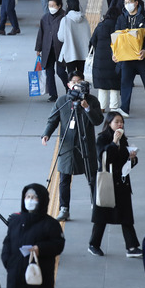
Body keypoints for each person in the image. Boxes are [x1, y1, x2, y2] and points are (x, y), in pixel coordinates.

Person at [41, 72, 104, 220]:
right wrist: (46, 134)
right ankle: (64, 209)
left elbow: (98, 121)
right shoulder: (62, 101)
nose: (77, 85)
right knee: (64, 178)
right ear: (69, 85)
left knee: (92, 177)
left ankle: (96, 205)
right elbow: (53, 119)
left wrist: (87, 107)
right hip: (67, 146)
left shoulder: (92, 100)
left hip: (86, 145)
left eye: (80, 82)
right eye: (74, 82)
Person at [88, 112, 142, 258]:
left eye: (122, 122)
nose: (120, 124)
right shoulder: (102, 138)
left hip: (122, 182)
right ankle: (94, 244)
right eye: (117, 122)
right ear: (109, 123)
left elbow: (125, 161)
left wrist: (132, 158)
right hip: (107, 182)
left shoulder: (123, 138)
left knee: (126, 216)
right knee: (102, 216)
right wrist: (114, 143)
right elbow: (105, 159)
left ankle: (132, 247)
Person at [1, 184, 65, 288]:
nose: (30, 200)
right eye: (28, 197)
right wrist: (8, 262)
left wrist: (40, 249)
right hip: (15, 276)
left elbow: (58, 244)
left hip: (38, 277)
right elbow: (8, 242)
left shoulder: (51, 224)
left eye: (34, 197)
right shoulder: (16, 221)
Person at [115, 0, 145, 117]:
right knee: (125, 82)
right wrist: (116, 53)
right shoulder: (121, 18)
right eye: (126, 3)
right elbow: (117, 37)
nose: (128, 4)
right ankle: (124, 108)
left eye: (130, 2)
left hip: (142, 57)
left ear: (136, 3)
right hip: (127, 58)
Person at [90, 5, 124, 114]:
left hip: (100, 61)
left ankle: (102, 107)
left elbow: (92, 41)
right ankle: (114, 107)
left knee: (102, 86)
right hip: (115, 59)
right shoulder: (119, 27)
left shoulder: (100, 26)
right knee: (114, 85)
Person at [36, 0, 68, 102]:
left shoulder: (64, 17)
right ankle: (53, 94)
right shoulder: (45, 18)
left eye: (53, 5)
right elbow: (41, 33)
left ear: (59, 6)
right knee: (49, 72)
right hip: (47, 49)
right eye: (49, 5)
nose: (51, 7)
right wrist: (38, 48)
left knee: (61, 71)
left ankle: (69, 88)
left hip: (60, 49)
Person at [57, 0, 91, 73]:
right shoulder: (84, 19)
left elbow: (61, 37)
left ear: (67, 6)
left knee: (71, 76)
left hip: (70, 52)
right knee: (82, 75)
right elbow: (89, 35)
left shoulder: (65, 20)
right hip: (83, 52)